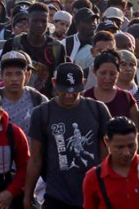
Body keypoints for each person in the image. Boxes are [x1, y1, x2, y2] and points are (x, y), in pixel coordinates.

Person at [24, 63, 112, 209]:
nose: (69, 95)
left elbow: (106, 156)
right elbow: (35, 159)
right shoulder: (42, 113)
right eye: (63, 91)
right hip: (57, 195)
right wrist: (28, 195)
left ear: (83, 84)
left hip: (92, 193)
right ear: (54, 83)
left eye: (75, 91)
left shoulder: (98, 109)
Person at [0, 3, 67, 98]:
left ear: (48, 22)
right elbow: (2, 75)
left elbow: (60, 80)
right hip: (15, 99)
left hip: (46, 102)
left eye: (43, 21)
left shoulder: (57, 48)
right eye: (35, 21)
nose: (40, 25)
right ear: (28, 21)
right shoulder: (12, 44)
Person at [82, 116, 139, 209]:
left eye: (131, 146)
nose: (126, 153)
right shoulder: (94, 178)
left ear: (137, 138)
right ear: (107, 141)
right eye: (120, 147)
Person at [0, 51, 48, 135]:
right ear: (2, 76)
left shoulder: (39, 99)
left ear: (27, 75)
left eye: (18, 74)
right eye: (9, 74)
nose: (14, 79)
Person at [84, 50, 139, 124]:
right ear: (95, 72)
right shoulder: (85, 97)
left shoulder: (126, 98)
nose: (107, 78)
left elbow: (137, 131)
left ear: (118, 73)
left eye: (112, 74)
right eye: (103, 73)